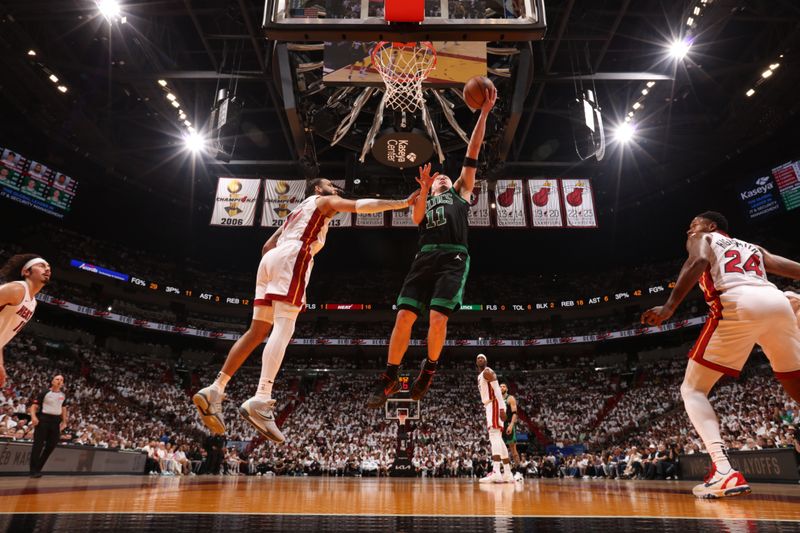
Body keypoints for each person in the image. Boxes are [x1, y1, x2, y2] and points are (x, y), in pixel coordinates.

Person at [193, 179, 420, 442]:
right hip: (293, 256)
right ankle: (262, 397)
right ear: (317, 189)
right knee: (284, 325)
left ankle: (215, 388)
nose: (335, 189)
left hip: (269, 261)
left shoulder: (294, 212)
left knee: (257, 331)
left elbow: (266, 247)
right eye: (330, 185)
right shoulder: (323, 202)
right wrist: (403, 202)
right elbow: (361, 206)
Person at [642, 211, 800, 498]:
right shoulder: (751, 247)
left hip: (740, 303)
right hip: (777, 302)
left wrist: (669, 307)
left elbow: (698, 260)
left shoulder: (704, 238)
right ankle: (794, 302)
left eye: (693, 224)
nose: (688, 230)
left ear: (711, 226)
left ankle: (724, 471)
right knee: (794, 380)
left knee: (692, 389)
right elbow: (791, 268)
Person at [367, 85, 497, 408]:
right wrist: (424, 189)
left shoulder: (460, 191)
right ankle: (390, 374)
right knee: (403, 318)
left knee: (438, 318)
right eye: (435, 176)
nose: (439, 176)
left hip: (452, 256)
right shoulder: (429, 195)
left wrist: (482, 113)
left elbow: (474, 149)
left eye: (442, 176)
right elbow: (416, 218)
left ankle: (430, 368)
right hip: (424, 257)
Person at [0, 255, 51, 387]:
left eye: (49, 267)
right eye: (41, 266)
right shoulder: (16, 289)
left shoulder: (32, 303)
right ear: (26, 272)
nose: (47, 269)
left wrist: (0, 364)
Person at [474, 354, 512, 483]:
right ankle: (507, 473)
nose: (480, 359)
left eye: (482, 357)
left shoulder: (487, 371)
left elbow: (497, 390)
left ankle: (496, 471)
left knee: (494, 435)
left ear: (486, 360)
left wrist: (501, 408)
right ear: (475, 362)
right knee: (498, 439)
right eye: (478, 358)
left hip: (494, 404)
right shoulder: (480, 375)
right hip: (490, 405)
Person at [29, 374, 69, 478]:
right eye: (57, 379)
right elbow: (34, 406)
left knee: (51, 445)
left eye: (61, 379)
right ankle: (33, 471)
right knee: (38, 445)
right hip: (43, 419)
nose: (59, 381)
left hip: (56, 421)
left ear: (63, 383)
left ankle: (38, 468)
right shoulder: (44, 392)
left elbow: (63, 408)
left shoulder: (63, 395)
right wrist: (33, 417)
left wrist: (64, 421)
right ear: (52, 381)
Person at [500, 383, 520, 467]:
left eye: (504, 386)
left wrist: (511, 425)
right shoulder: (497, 399)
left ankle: (519, 469)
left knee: (513, 449)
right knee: (501, 448)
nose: (502, 388)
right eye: (500, 386)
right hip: (500, 425)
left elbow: (515, 413)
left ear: (507, 389)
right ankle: (504, 469)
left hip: (508, 424)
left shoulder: (510, 398)